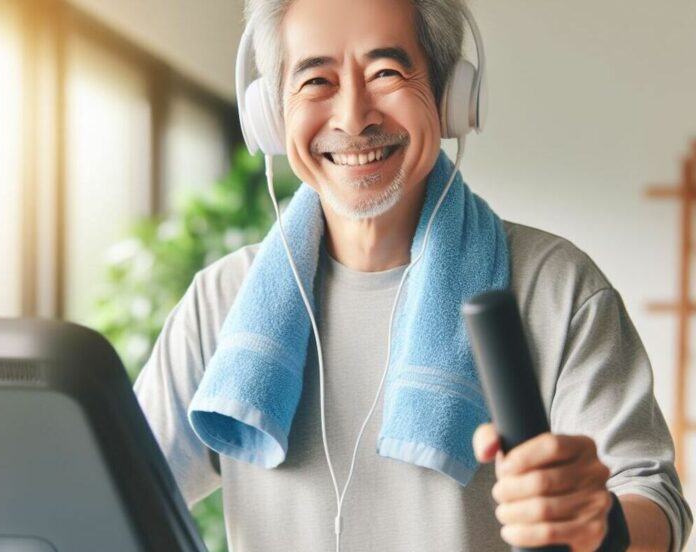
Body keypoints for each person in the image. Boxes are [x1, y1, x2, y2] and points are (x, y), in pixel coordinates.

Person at [133, 0, 693, 550]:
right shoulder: (220, 299)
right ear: (271, 113)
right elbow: (118, 490)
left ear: (452, 96)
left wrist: (602, 524)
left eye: (386, 72)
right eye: (315, 81)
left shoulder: (557, 286)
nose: (354, 117)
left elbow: (654, 499)